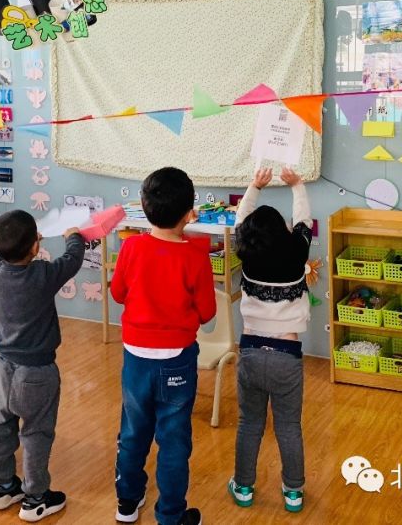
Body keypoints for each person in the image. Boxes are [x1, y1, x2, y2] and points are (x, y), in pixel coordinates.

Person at [111, 167, 216, 525]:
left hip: (135, 356)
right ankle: (170, 515)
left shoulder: (131, 247)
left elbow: (118, 293)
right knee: (173, 440)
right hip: (177, 359)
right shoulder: (194, 255)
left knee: (133, 430)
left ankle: (127, 503)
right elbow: (207, 313)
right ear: (189, 213)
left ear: (143, 206)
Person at [0, 211, 85, 521]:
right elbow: (73, 259)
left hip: (2, 368)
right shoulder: (41, 276)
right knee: (36, 434)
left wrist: (30, 244)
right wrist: (74, 236)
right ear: (33, 246)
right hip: (38, 371)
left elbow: (5, 251)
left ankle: (1, 488)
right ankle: (36, 497)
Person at [227, 166, 312, 514]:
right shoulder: (296, 256)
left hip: (249, 353)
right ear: (284, 233)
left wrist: (254, 186)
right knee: (288, 427)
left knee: (250, 424)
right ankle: (293, 492)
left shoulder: (246, 256)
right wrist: (297, 186)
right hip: (286, 356)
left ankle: (243, 487)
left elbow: (240, 223)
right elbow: (304, 221)